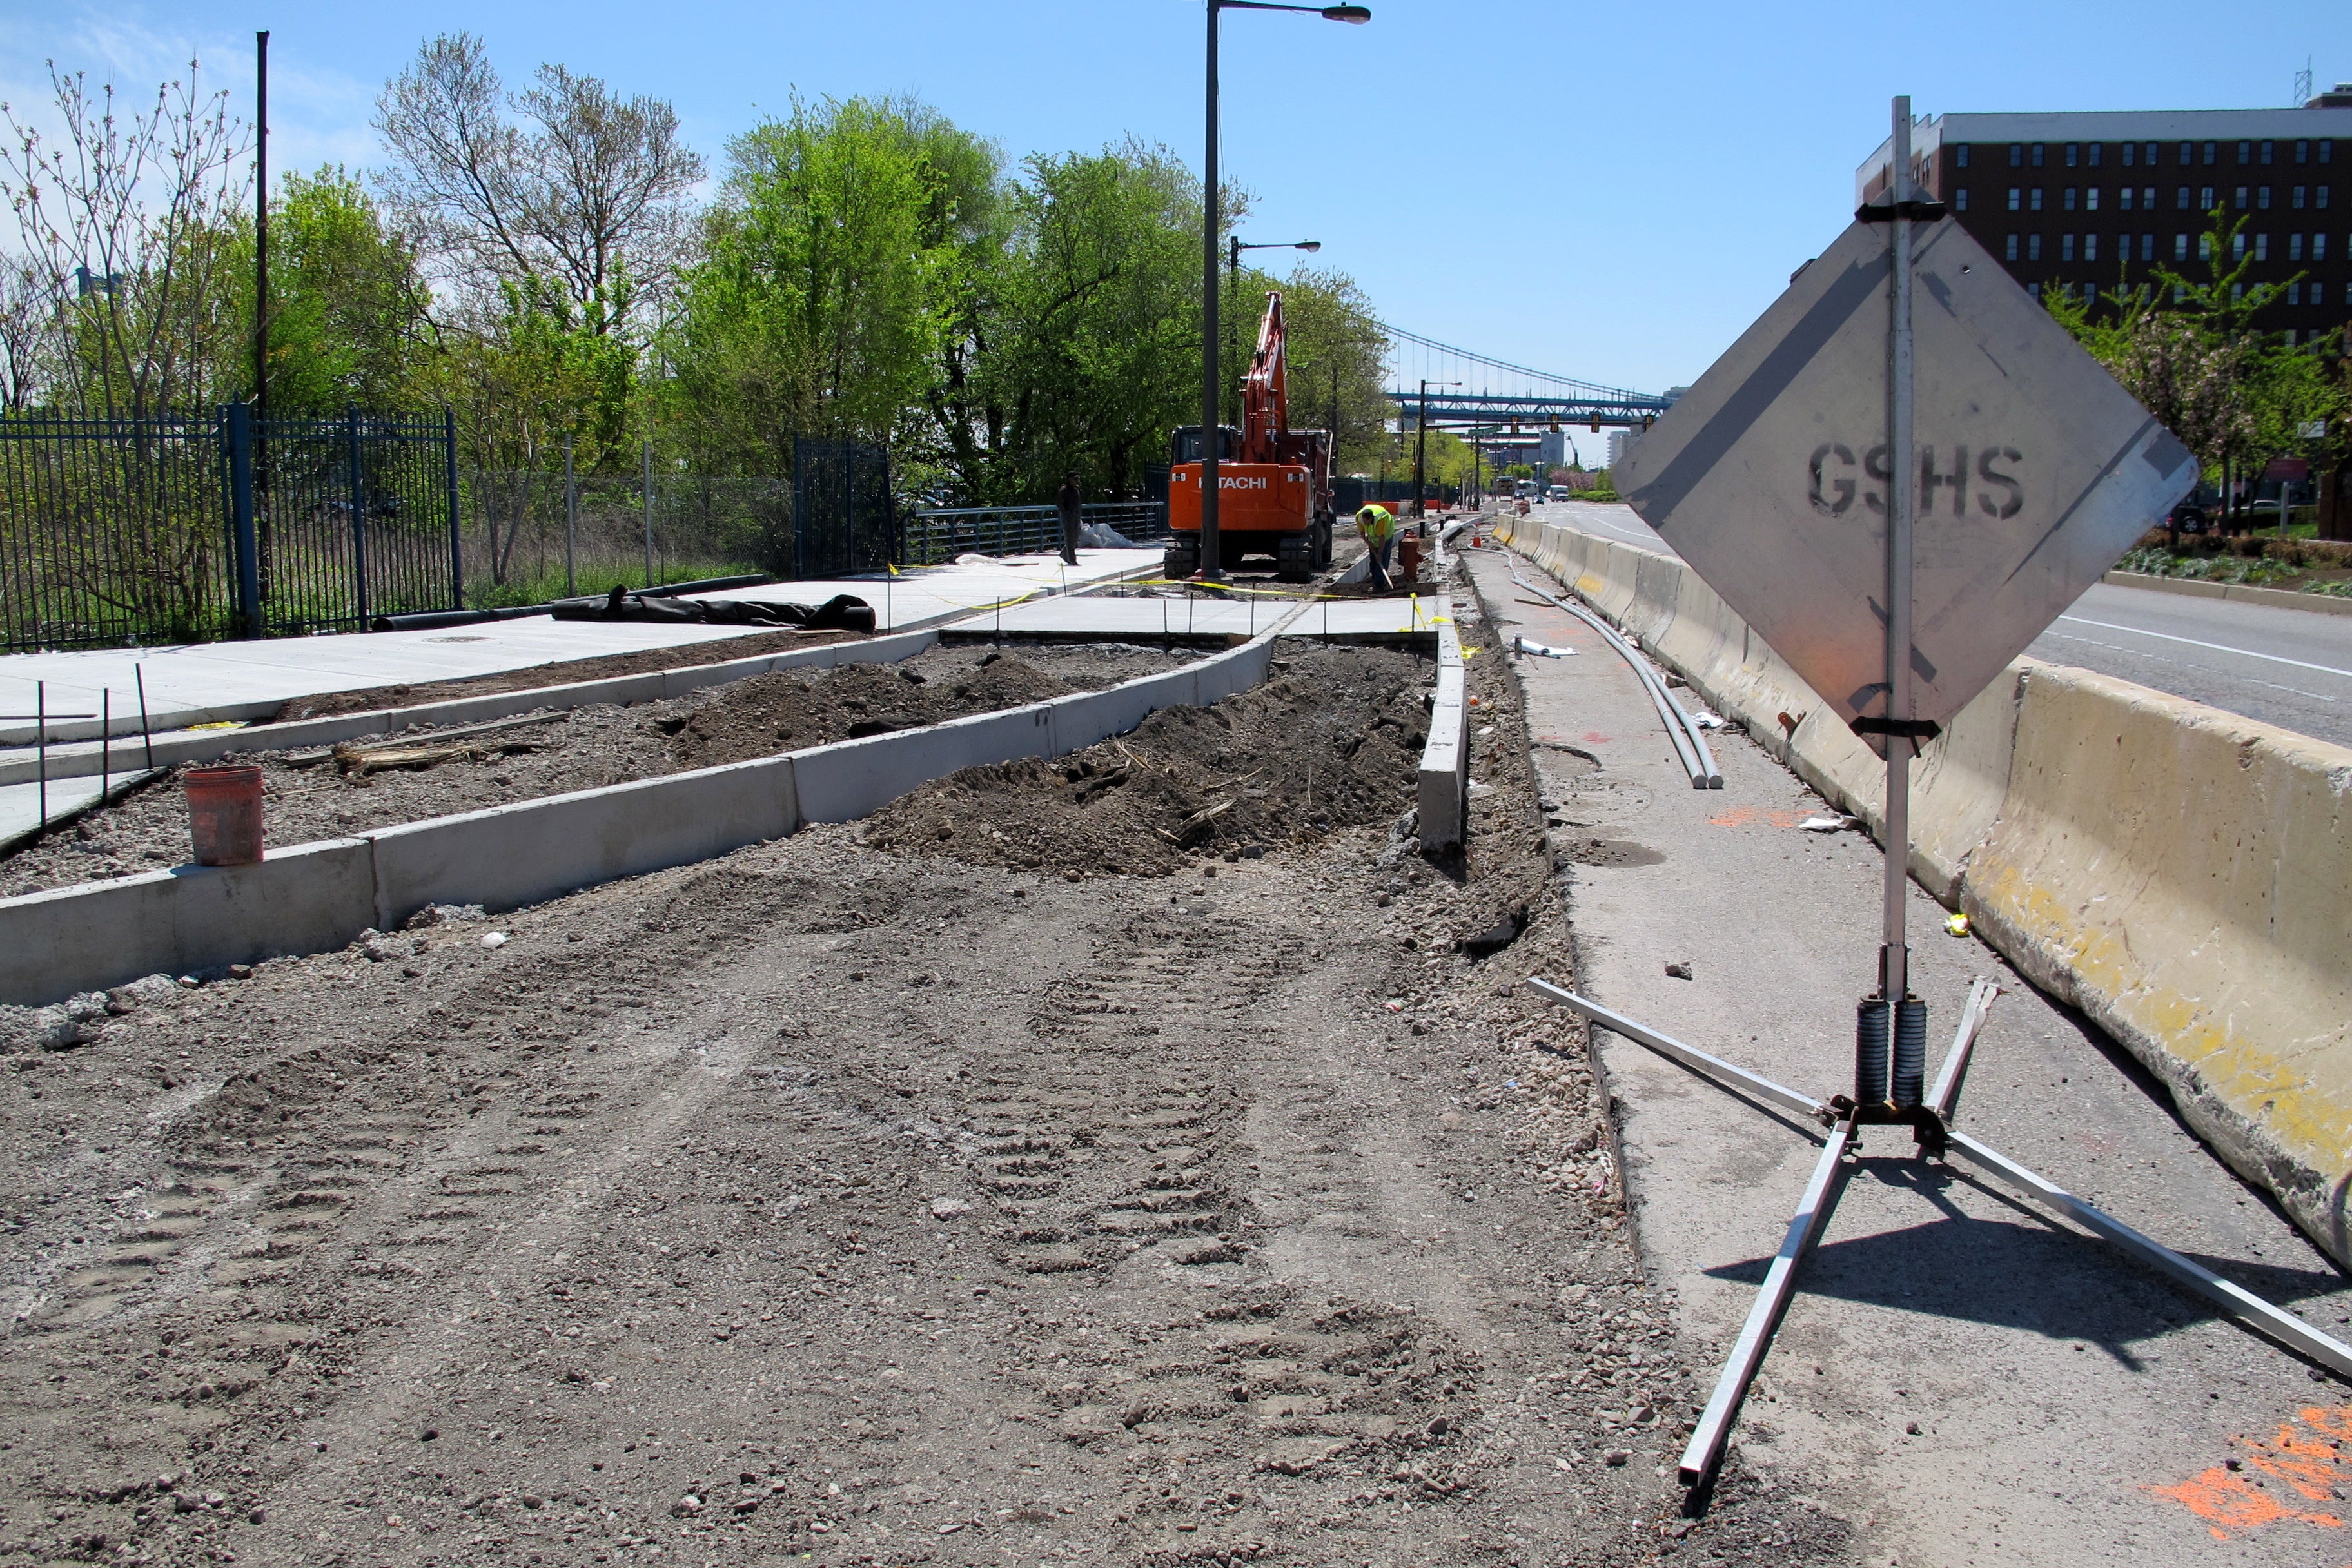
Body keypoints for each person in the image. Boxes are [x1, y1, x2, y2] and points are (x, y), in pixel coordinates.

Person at [1356, 502, 1397, 591]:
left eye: (1367, 522)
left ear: (1371, 518)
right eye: (1364, 522)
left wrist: (1380, 553)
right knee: (1373, 561)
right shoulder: (1359, 518)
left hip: (1386, 536)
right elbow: (1363, 534)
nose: (1365, 524)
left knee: (1382, 559)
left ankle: (1380, 585)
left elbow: (1382, 538)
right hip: (1373, 537)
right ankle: (1375, 580)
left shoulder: (1380, 520)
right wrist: (1370, 545)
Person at [1056, 471, 1083, 567]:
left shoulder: (1076, 490)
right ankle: (1072, 559)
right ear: (1069, 479)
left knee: (1075, 538)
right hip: (1068, 518)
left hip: (1076, 517)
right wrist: (1066, 514)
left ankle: (1064, 554)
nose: (1076, 481)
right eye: (1075, 479)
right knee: (1070, 538)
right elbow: (1060, 504)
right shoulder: (1064, 490)